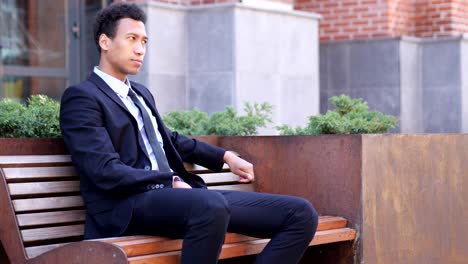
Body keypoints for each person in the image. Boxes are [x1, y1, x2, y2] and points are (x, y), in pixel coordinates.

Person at [60, 3, 318, 263]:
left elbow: (168, 140)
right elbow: (103, 170)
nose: (140, 49)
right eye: (131, 39)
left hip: (175, 200)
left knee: (300, 214)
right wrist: (167, 181)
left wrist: (226, 156)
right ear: (105, 42)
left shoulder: (140, 93)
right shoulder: (82, 98)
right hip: (125, 207)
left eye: (144, 41)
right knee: (209, 206)